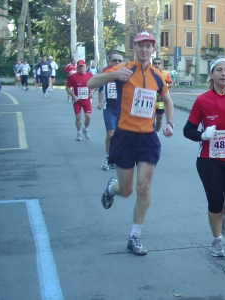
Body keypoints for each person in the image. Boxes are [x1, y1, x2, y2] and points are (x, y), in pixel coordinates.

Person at [87, 31, 174, 256]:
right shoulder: (122, 69)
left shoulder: (157, 75)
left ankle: (135, 235)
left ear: (153, 49)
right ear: (134, 48)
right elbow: (91, 82)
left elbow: (167, 100)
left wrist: (169, 123)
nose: (144, 50)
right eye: (140, 46)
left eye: (148, 46)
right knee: (125, 190)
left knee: (143, 187)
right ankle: (111, 187)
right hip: (124, 136)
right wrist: (113, 76)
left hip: (147, 138)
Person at [183, 57, 225, 257]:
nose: (224, 74)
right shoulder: (202, 100)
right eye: (219, 70)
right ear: (212, 75)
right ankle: (217, 241)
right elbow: (188, 130)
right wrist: (202, 135)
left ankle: (221, 216)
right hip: (208, 160)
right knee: (214, 201)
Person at [97, 51, 123, 170]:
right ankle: (108, 158)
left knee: (121, 135)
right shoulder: (106, 74)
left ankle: (117, 157)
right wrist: (100, 102)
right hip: (109, 108)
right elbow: (101, 89)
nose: (117, 62)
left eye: (119, 60)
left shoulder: (127, 75)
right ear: (109, 62)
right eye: (114, 60)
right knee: (110, 133)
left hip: (123, 109)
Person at [66, 60, 94, 141]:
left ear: (86, 67)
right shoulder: (73, 77)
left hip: (87, 100)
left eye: (83, 66)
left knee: (88, 117)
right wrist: (73, 95)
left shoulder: (90, 75)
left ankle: (85, 129)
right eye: (80, 67)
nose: (82, 68)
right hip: (77, 100)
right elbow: (68, 88)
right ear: (77, 68)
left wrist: (92, 92)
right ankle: (79, 133)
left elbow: (96, 85)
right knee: (78, 117)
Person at [152, 57, 173, 133]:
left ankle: (156, 133)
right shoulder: (148, 72)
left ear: (161, 65)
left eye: (158, 63)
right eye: (155, 63)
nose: (157, 65)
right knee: (149, 119)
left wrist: (163, 87)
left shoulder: (165, 73)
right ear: (152, 64)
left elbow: (171, 84)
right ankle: (150, 133)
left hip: (161, 99)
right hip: (150, 98)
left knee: (159, 118)